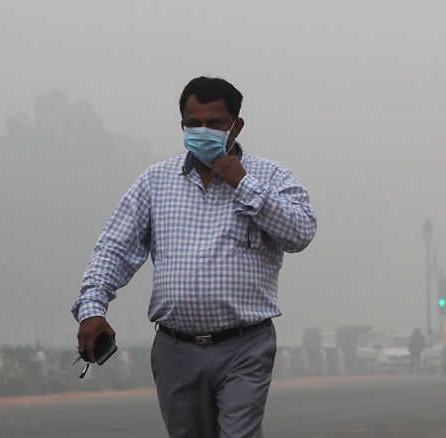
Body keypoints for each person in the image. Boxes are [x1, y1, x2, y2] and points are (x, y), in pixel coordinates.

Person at [71, 76, 317, 438]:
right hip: (176, 348)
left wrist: (244, 183)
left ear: (237, 126)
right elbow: (114, 248)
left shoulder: (270, 176)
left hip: (244, 344)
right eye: (193, 123)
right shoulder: (155, 182)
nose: (203, 131)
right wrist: (92, 307)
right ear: (182, 125)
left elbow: (301, 232)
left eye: (215, 123)